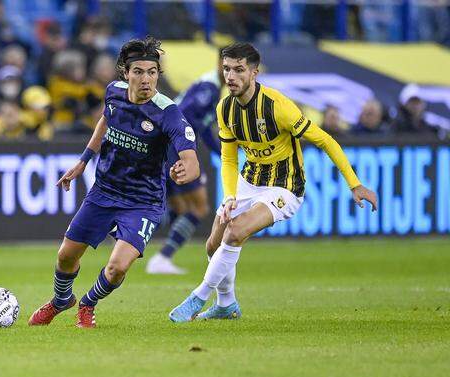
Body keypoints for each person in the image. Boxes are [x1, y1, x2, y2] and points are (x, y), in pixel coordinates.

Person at [169, 43, 377, 322]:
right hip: (249, 180)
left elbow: (325, 140)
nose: (231, 76)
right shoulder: (225, 108)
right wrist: (230, 196)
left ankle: (198, 297)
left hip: (285, 186)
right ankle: (227, 305)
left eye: (239, 70)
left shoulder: (279, 107)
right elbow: (229, 159)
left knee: (236, 231)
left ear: (254, 72)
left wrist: (355, 184)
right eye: (227, 69)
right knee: (212, 245)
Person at [28, 37, 200, 328]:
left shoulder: (167, 112)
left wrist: (187, 170)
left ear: (158, 74)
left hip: (143, 201)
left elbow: (191, 158)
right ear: (125, 73)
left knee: (118, 267)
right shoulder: (114, 93)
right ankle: (61, 300)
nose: (146, 79)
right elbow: (105, 122)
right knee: (65, 258)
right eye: (139, 72)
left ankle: (87, 303)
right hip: (104, 191)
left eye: (152, 72)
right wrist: (83, 161)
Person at [147, 51, 224, 274]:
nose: (232, 74)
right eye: (229, 67)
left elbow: (201, 125)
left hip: (166, 145)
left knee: (180, 208)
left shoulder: (209, 87)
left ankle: (126, 231)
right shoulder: (208, 88)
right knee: (199, 207)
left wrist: (219, 152)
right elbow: (185, 115)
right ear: (220, 64)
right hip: (176, 147)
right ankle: (162, 257)